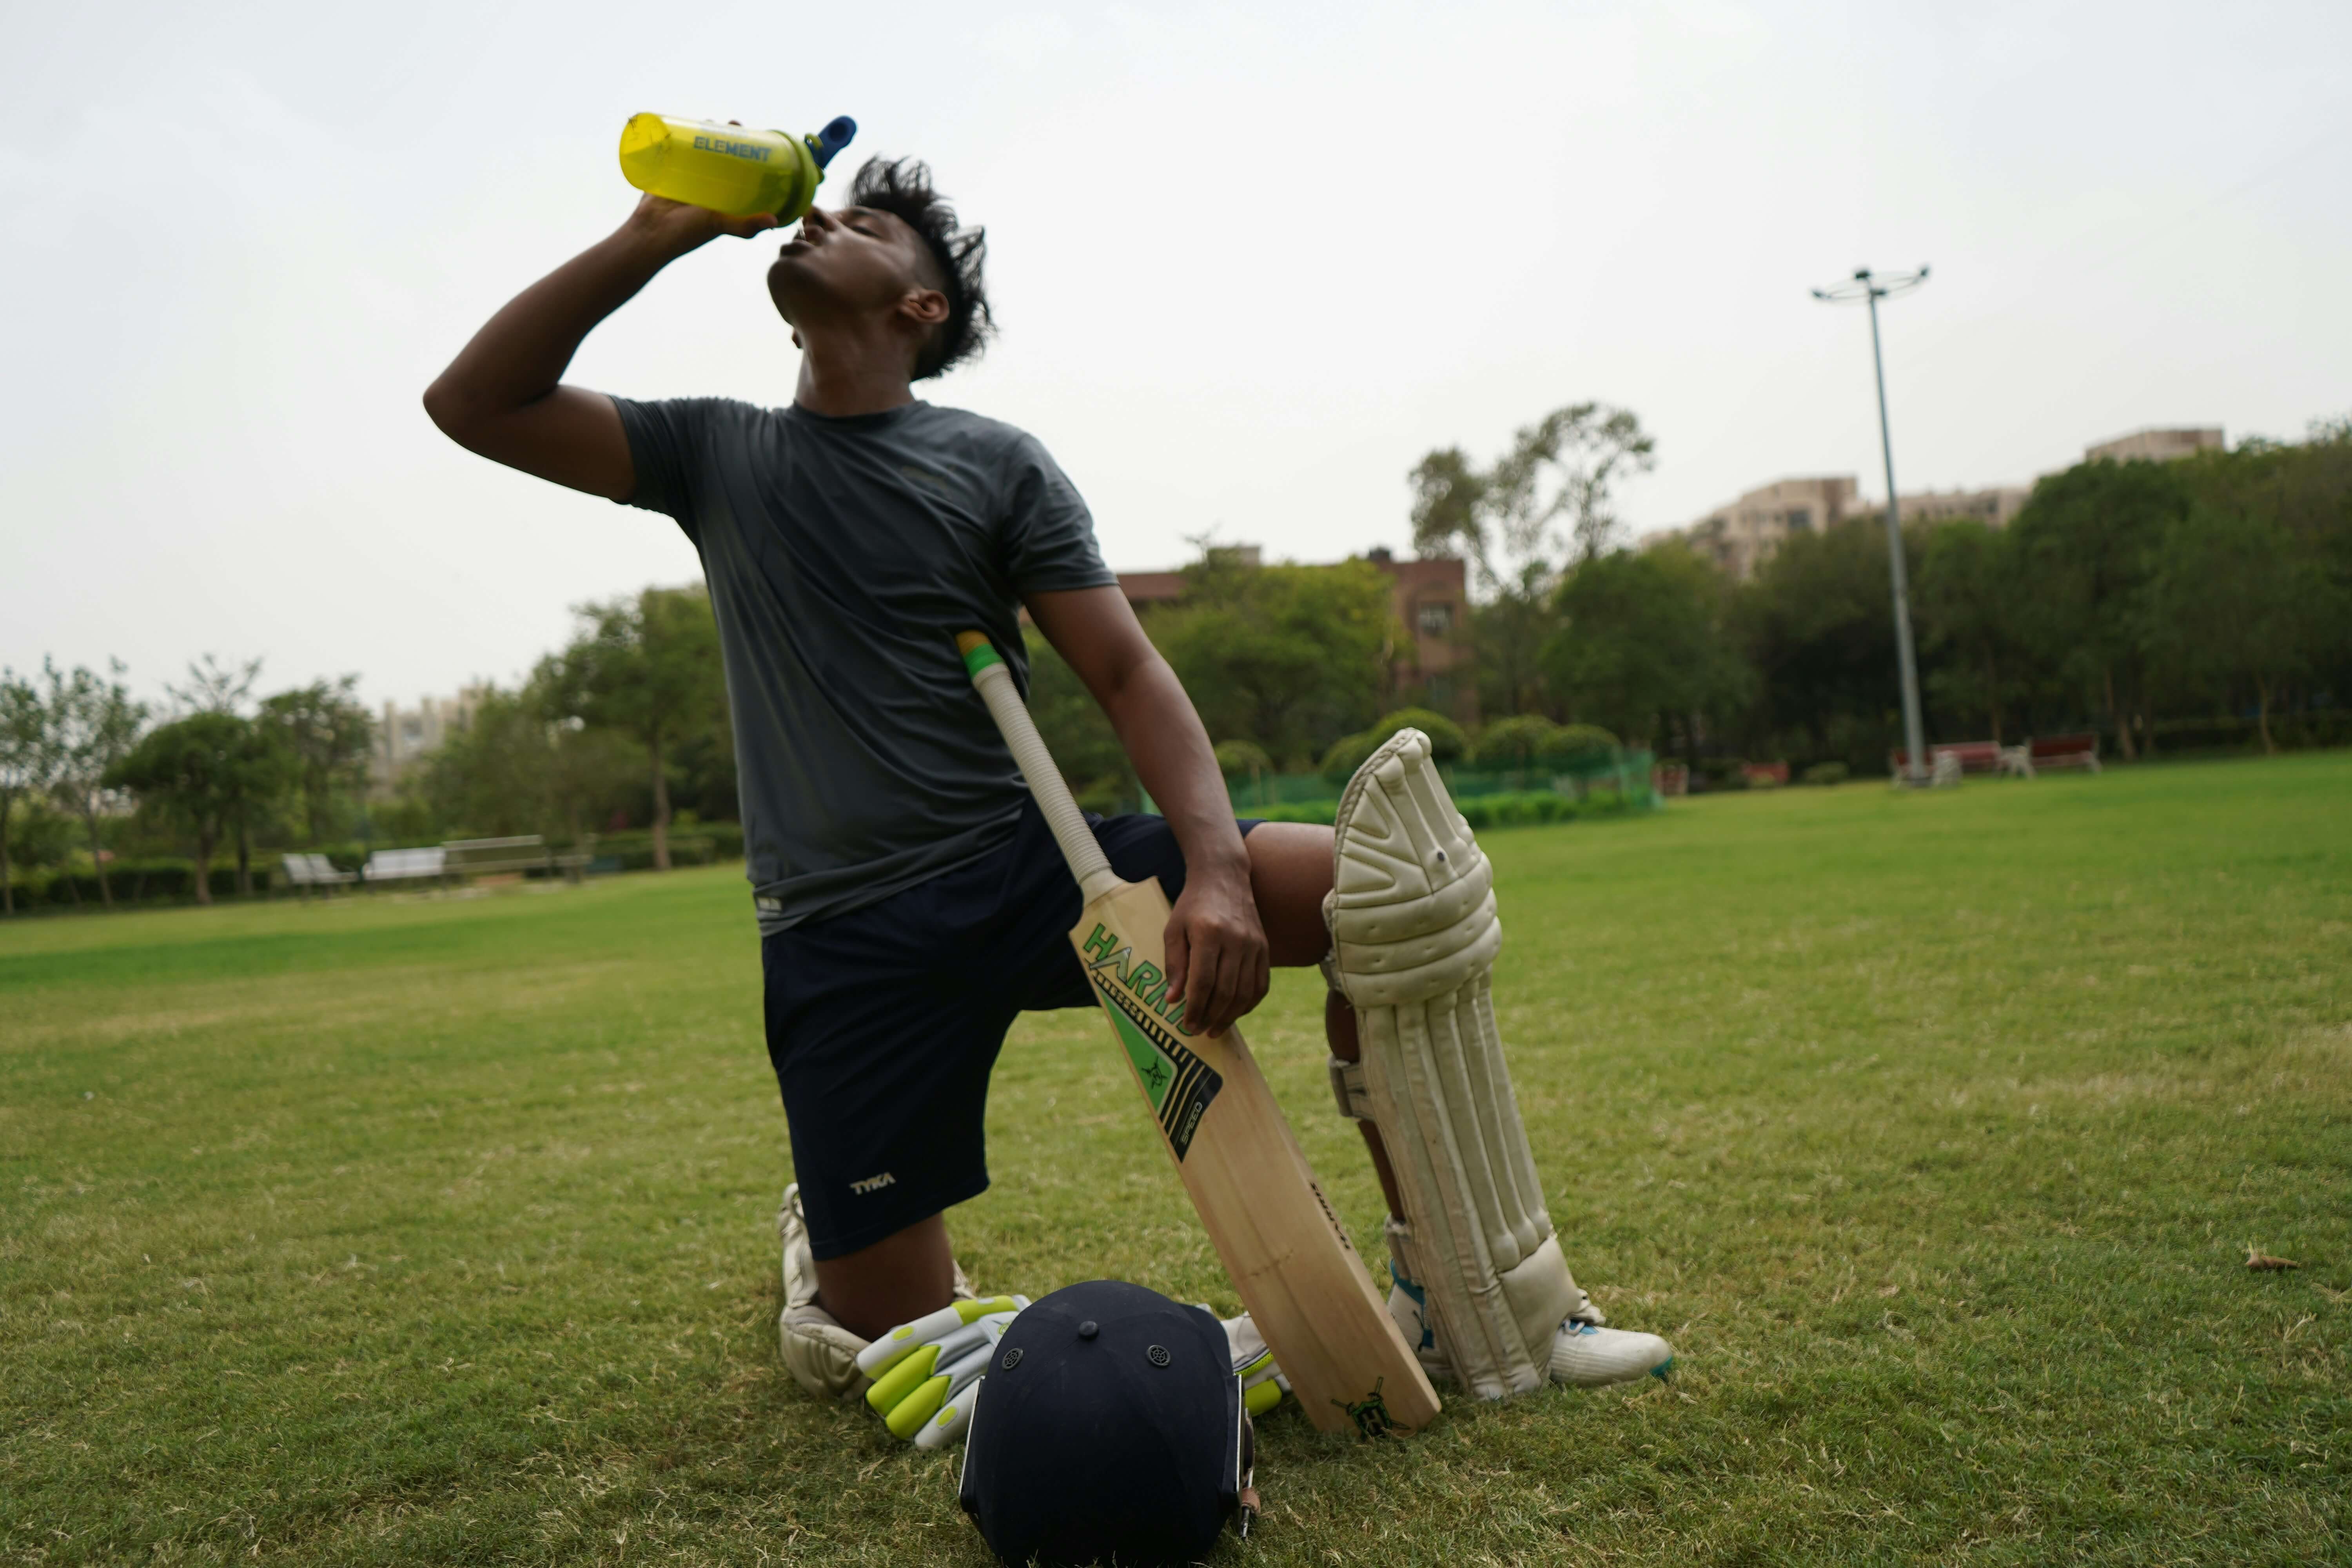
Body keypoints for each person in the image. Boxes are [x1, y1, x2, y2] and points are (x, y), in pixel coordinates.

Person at [423, 155, 1668, 1437]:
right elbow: (473, 401)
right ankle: (828, 1250)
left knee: (1387, 892)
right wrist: (656, 232)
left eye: (865, 224)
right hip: (842, 939)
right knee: (884, 1346)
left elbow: (1128, 672)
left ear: (923, 308)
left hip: (1030, 870)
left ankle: (1493, 1301)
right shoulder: (713, 452)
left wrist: (1221, 874)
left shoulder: (991, 462)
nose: (818, 221)